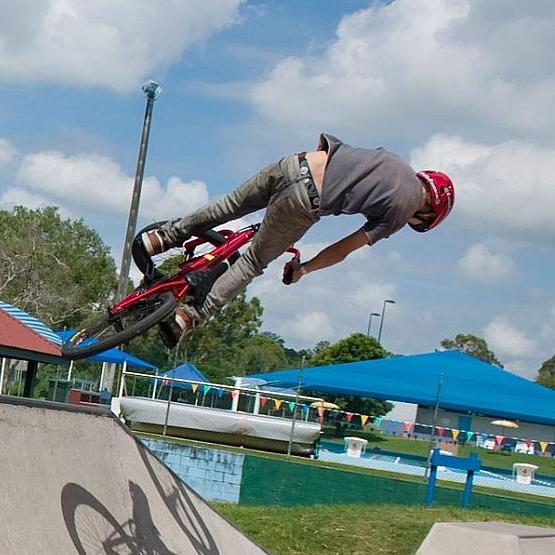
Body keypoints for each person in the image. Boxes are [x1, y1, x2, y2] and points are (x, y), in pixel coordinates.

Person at [132, 133, 454, 346]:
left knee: (229, 205)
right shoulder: (404, 210)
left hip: (296, 163)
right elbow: (344, 248)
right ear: (428, 213)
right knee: (254, 261)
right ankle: (190, 316)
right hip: (306, 201)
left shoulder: (396, 161)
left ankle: (164, 236)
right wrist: (304, 269)